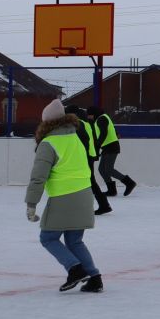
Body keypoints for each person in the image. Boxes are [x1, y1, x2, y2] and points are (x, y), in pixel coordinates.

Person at [25, 99, 102, 292]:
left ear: (46, 122)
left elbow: (38, 177)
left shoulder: (48, 143)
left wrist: (31, 203)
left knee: (48, 238)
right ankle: (95, 279)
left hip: (63, 196)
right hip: (84, 193)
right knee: (75, 240)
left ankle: (75, 269)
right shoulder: (74, 137)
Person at [87, 106, 139, 198]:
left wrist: (97, 146)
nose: (89, 117)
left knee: (109, 169)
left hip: (111, 146)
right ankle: (111, 190)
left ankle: (129, 183)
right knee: (102, 169)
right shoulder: (102, 118)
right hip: (108, 147)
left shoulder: (101, 119)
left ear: (93, 114)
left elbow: (104, 133)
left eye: (89, 115)